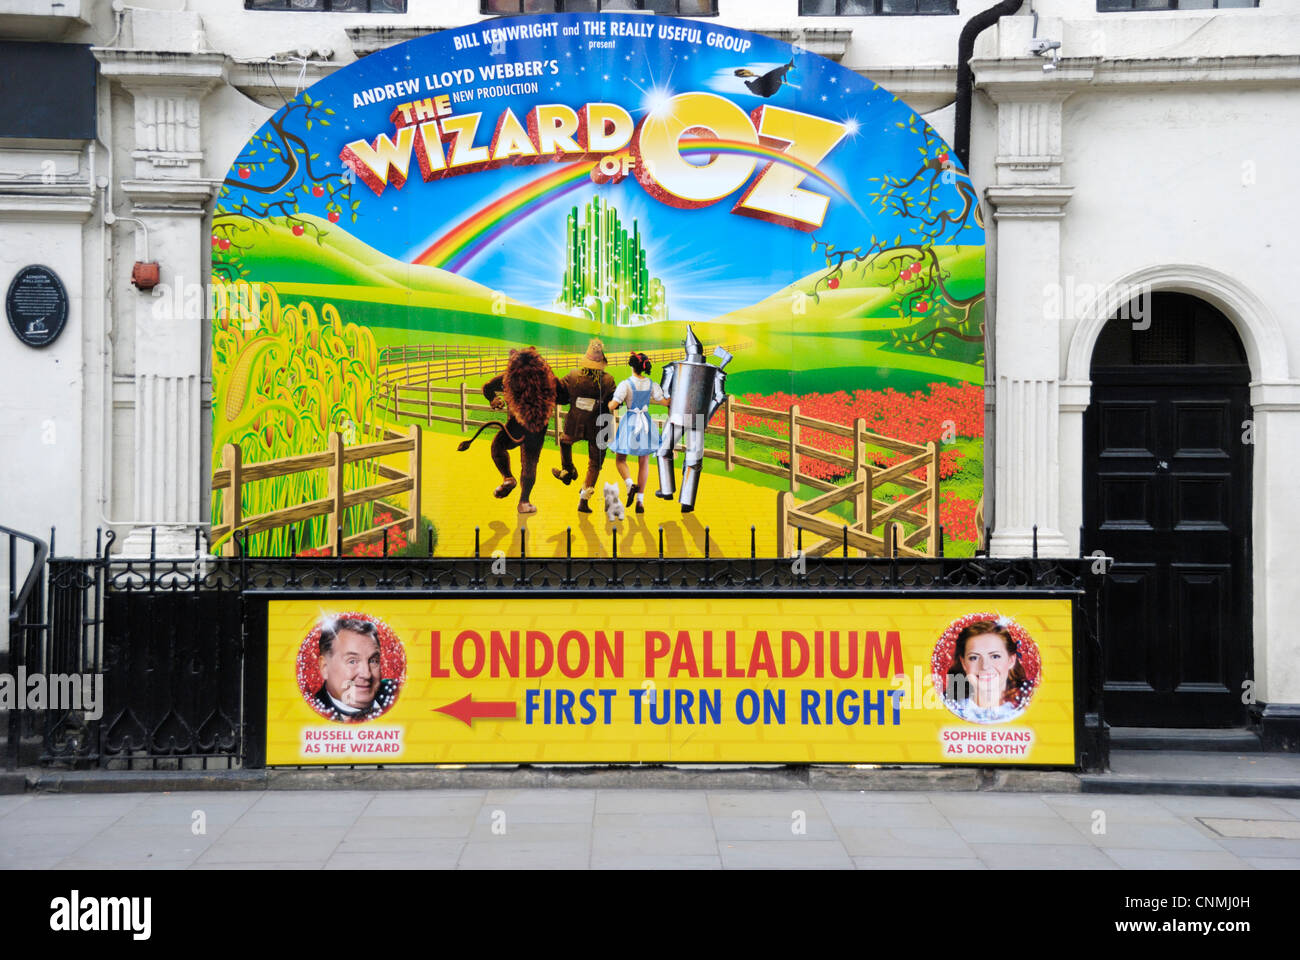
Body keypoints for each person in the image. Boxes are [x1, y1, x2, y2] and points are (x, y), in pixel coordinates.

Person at [458, 347, 567, 515]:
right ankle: (524, 500)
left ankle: (508, 478)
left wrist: (493, 398)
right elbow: (565, 398)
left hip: (518, 426)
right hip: (536, 428)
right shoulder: (549, 379)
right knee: (529, 464)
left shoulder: (509, 377)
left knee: (498, 446)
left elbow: (487, 387)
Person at [552, 338, 616, 514]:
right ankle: (583, 501)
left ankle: (567, 468)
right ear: (602, 362)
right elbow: (614, 402)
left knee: (565, 441)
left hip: (575, 423)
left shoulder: (573, 376)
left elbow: (562, 396)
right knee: (594, 464)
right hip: (599, 427)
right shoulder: (609, 380)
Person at [608, 352, 667, 513]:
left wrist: (608, 403)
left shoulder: (625, 384)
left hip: (630, 422)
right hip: (645, 422)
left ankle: (629, 484)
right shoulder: (651, 384)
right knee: (644, 462)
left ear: (631, 366)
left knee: (620, 459)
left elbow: (613, 405)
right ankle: (640, 501)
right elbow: (663, 401)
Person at [310, 616, 400, 722]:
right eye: (352, 661)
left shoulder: (397, 693)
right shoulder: (308, 714)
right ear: (325, 667)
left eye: (373, 661)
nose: (367, 674)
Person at [944, 619, 1030, 723]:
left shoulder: (1028, 708)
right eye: (974, 658)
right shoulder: (947, 708)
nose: (984, 666)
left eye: (995, 656)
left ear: (1011, 660)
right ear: (963, 663)